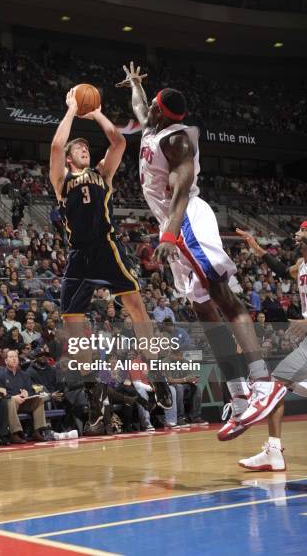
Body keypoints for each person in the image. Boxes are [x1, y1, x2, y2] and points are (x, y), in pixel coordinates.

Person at [117, 61, 286, 439]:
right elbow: (139, 107)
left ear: (164, 111)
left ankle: (263, 382)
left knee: (221, 295)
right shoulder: (151, 123)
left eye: (154, 104)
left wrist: (169, 236)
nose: (150, 109)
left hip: (187, 217)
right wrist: (134, 84)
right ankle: (240, 396)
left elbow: (179, 194)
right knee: (205, 312)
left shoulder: (177, 140)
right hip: (170, 224)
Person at [49, 88, 172, 409]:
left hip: (106, 247)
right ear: (69, 159)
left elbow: (118, 143)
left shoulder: (102, 173)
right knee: (71, 318)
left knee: (136, 307)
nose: (83, 149)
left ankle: (156, 371)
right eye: (78, 148)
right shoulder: (61, 179)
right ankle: (94, 389)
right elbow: (56, 145)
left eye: (86, 147)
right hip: (78, 255)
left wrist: (96, 114)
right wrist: (72, 110)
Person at [235, 225, 307, 471]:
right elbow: (282, 270)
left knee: (274, 385)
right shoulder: (300, 264)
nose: (297, 232)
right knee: (277, 385)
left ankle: (274, 452)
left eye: (303, 229)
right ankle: (273, 452)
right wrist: (256, 248)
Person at [3, 350, 47, 443]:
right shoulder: (0, 375)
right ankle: (15, 433)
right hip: (11, 404)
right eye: (11, 357)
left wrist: (27, 393)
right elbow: (1, 393)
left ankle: (37, 431)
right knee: (11, 401)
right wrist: (13, 397)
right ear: (6, 361)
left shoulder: (24, 374)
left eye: (16, 357)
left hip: (24, 402)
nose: (14, 359)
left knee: (39, 399)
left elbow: (31, 391)